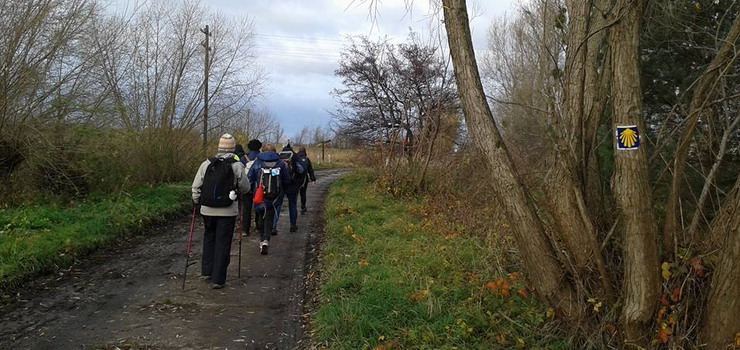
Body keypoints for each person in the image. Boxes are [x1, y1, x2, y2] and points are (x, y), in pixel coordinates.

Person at [191, 133, 249, 289]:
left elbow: (196, 186)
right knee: (223, 243)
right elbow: (245, 187)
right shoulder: (237, 165)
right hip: (227, 211)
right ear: (232, 148)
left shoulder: (206, 163)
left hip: (207, 209)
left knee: (209, 238)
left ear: (219, 147)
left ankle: (207, 271)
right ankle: (218, 279)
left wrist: (197, 201)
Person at [247, 144, 292, 255]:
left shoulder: (257, 163)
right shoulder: (281, 163)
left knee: (260, 217)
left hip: (259, 195)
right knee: (269, 217)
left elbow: (249, 178)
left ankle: (262, 239)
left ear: (262, 151)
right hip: (275, 197)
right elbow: (287, 180)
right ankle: (266, 239)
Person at [278, 144, 301, 232]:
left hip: (281, 185)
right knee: (292, 205)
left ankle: (273, 226)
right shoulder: (295, 157)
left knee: (278, 206)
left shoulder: (279, 158)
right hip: (293, 185)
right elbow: (301, 170)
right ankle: (293, 225)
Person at [241, 139, 262, 235]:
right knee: (259, 205)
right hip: (258, 186)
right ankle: (258, 226)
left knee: (246, 208)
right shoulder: (261, 157)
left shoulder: (244, 158)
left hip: (246, 185)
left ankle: (245, 229)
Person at [295, 146, 316, 214]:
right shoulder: (307, 159)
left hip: (296, 178)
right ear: (305, 151)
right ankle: (303, 207)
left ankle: (294, 207)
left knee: (295, 193)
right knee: (303, 193)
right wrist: (313, 179)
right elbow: (310, 170)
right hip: (304, 178)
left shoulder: (295, 158)